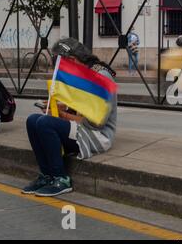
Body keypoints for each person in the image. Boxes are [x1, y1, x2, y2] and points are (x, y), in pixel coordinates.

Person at [22, 37, 117, 197]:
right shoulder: (82, 73)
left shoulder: (101, 76)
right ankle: (47, 176)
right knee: (32, 121)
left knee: (45, 123)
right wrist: (58, 107)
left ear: (72, 60)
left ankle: (61, 178)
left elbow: (96, 123)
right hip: (80, 128)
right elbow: (79, 106)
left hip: (96, 135)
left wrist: (61, 115)